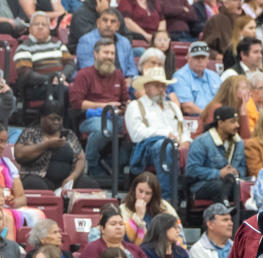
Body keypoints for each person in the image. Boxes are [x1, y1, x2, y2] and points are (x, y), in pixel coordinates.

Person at [124, 68, 189, 201]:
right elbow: (136, 134)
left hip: (176, 145)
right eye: (157, 85)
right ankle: (167, 197)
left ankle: (190, 194)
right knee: (164, 147)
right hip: (147, 150)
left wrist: (186, 141)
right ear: (147, 87)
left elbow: (184, 130)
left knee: (199, 146)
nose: (161, 89)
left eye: (163, 86)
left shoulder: (173, 107)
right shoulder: (136, 106)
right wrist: (165, 134)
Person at [69, 38, 129, 178]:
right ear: (96, 54)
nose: (109, 56)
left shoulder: (118, 75)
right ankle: (92, 164)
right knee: (105, 128)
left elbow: (125, 99)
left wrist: (128, 105)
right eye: (105, 52)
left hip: (117, 116)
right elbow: (77, 103)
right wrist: (104, 106)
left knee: (134, 131)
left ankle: (114, 166)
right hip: (91, 117)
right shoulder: (84, 74)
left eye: (112, 53)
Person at [13, 12, 69, 105]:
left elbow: (70, 63)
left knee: (77, 90)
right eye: (36, 24)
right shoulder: (24, 47)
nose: (40, 27)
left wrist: (62, 76)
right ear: (30, 29)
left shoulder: (58, 44)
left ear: (49, 29)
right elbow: (26, 74)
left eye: (44, 25)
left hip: (58, 82)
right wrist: (51, 80)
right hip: (36, 87)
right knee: (64, 91)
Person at [120, 172, 180, 245]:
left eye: (148, 193)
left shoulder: (165, 207)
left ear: (154, 194)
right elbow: (126, 239)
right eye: (140, 191)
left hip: (160, 250)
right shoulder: (124, 208)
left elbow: (178, 232)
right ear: (134, 189)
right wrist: (138, 217)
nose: (143, 196)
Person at [170, 41, 221, 116]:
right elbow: (187, 107)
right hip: (195, 119)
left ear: (208, 59)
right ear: (188, 57)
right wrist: (208, 116)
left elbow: (223, 99)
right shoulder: (180, 76)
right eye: (196, 57)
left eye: (203, 57)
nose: (200, 61)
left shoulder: (214, 76)